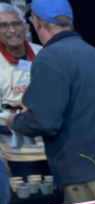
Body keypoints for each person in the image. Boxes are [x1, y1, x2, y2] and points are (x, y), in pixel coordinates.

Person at [7, 0, 95, 204]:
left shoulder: (50, 57)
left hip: (85, 173)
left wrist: (15, 121)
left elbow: (43, 121)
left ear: (36, 22)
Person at [0, 3, 45, 178]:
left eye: (16, 23)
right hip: (18, 155)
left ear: (25, 26)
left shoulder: (43, 54)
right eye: (4, 25)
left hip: (53, 149)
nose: (12, 30)